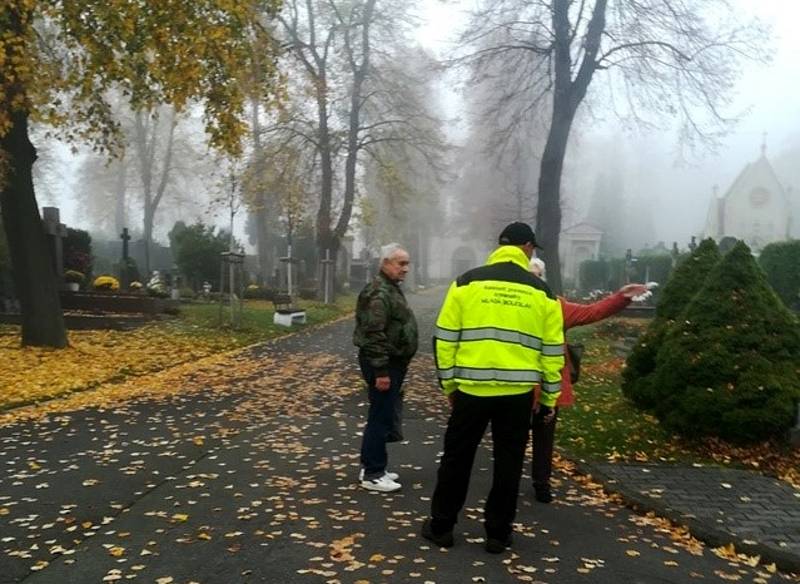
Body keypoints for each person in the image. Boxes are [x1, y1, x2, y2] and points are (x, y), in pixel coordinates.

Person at [421, 222, 565, 554]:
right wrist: (548, 400)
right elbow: (552, 354)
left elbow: (444, 339)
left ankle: (442, 526)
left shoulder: (465, 282)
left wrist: (450, 386)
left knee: (457, 459)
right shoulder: (543, 293)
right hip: (516, 397)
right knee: (508, 463)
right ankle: (498, 534)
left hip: (471, 392)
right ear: (527, 248)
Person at [529, 257, 647, 503]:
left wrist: (621, 297)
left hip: (547, 383)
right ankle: (508, 483)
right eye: (530, 273)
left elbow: (591, 312)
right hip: (518, 384)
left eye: (538, 274)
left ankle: (541, 483)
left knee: (544, 437)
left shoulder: (556, 306)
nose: (534, 278)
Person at [353, 243, 418, 493]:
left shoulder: (390, 289)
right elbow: (373, 333)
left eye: (407, 263)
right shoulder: (378, 292)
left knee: (383, 414)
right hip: (384, 364)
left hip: (392, 363)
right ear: (385, 263)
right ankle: (373, 473)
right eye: (401, 263)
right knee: (380, 416)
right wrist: (381, 372)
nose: (406, 269)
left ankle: (374, 464)